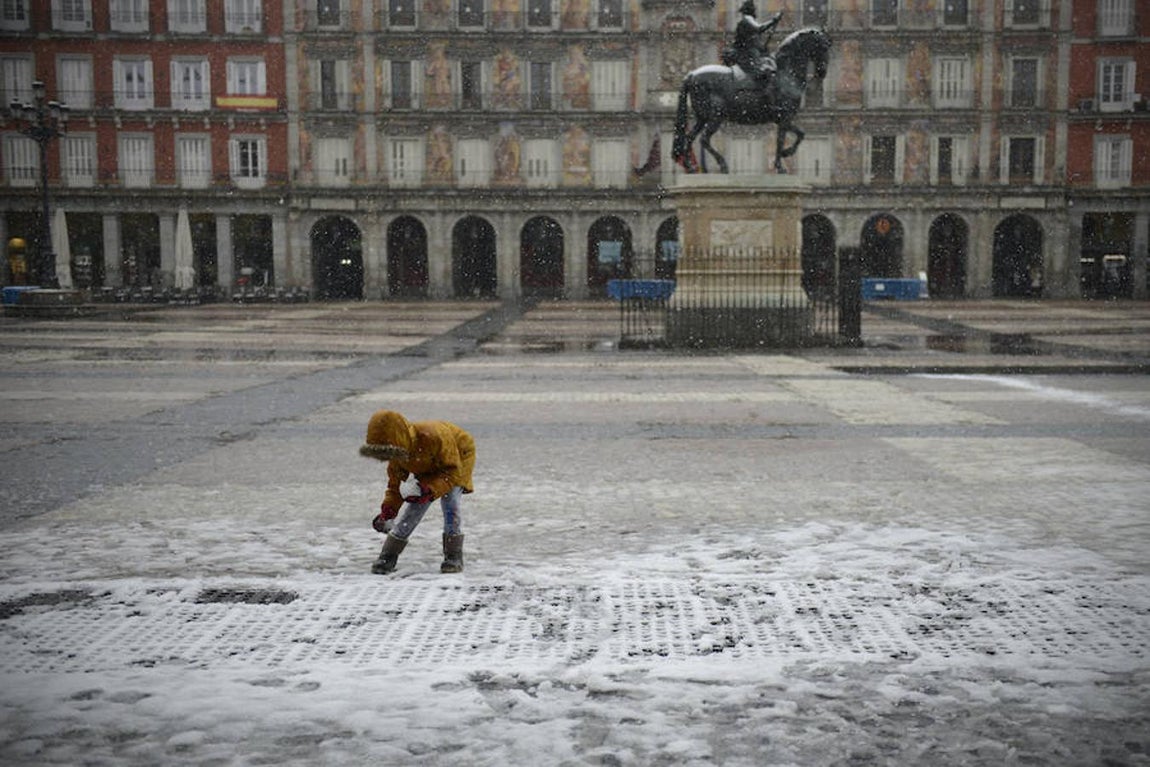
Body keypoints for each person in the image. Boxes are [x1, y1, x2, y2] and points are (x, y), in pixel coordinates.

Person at [359, 410, 476, 574]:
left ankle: (453, 556)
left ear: (397, 441)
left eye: (389, 452)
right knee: (416, 506)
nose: (387, 458)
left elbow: (452, 472)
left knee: (451, 504)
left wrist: (429, 490)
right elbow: (395, 486)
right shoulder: (396, 453)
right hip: (428, 463)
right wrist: (388, 511)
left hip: (457, 457)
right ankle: (388, 556)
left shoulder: (433, 437)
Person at [730, 0, 782, 85]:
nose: (755, 11)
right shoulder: (747, 19)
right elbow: (759, 28)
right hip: (748, 53)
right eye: (754, 9)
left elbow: (754, 39)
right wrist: (774, 20)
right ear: (751, 10)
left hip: (750, 52)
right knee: (763, 71)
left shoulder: (747, 20)